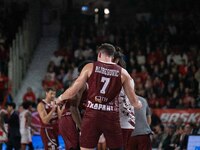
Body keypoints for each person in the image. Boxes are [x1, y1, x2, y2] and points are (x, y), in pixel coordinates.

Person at [57, 43, 142, 150]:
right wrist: (139, 104)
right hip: (116, 118)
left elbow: (72, 93)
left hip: (94, 115)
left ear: (100, 55)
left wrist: (59, 99)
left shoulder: (91, 69)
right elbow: (135, 102)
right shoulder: (124, 74)